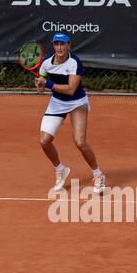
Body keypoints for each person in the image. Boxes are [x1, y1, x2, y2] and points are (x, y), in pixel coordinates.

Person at [37, 33, 103, 194]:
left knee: (80, 142)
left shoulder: (75, 62)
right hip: (56, 104)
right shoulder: (46, 63)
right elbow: (41, 84)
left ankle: (98, 174)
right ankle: (60, 169)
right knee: (44, 141)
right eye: (56, 44)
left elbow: (71, 89)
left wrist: (48, 84)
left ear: (69, 46)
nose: (59, 47)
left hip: (77, 103)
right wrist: (39, 84)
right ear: (53, 46)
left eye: (63, 44)